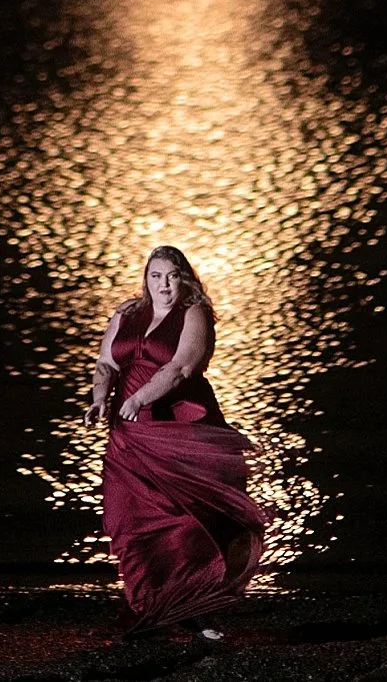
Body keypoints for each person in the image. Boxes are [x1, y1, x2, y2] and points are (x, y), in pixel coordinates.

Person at [85, 244, 266, 633]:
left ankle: (197, 608)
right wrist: (101, 397)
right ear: (146, 279)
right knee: (129, 519)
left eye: (171, 276)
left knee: (186, 521)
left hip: (177, 428)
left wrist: (140, 397)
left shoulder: (194, 313)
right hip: (128, 432)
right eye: (155, 276)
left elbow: (181, 367)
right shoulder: (128, 313)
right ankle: (146, 604)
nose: (164, 285)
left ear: (183, 277)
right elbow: (106, 362)